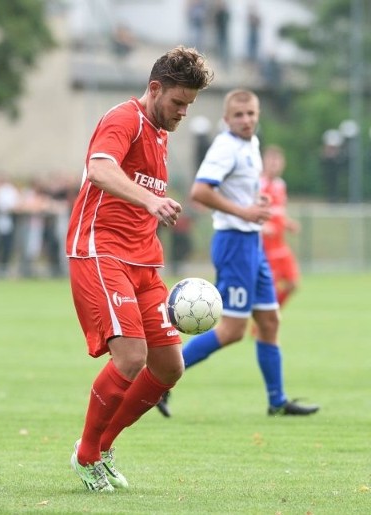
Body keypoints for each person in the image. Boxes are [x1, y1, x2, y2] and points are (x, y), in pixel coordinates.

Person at [65, 45, 213, 492]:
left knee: (169, 367)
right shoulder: (124, 118)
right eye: (178, 102)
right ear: (154, 88)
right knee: (131, 358)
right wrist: (151, 200)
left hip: (143, 261)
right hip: (100, 251)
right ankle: (86, 454)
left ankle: (104, 446)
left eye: (189, 105)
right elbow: (97, 169)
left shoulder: (162, 131)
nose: (183, 112)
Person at [156, 89, 318, 418]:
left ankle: (277, 401)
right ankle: (159, 381)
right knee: (231, 331)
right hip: (235, 243)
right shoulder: (225, 147)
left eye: (251, 114)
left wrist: (257, 205)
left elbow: (242, 191)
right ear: (227, 119)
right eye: (239, 115)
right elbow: (200, 191)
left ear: (257, 115)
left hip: (253, 244)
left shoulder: (251, 144)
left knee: (270, 321)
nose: (246, 120)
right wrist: (244, 213)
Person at [260, 145, 301, 308]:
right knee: (267, 291)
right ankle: (265, 323)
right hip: (265, 248)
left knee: (293, 284)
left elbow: (278, 213)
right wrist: (262, 226)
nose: (274, 164)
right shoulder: (258, 185)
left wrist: (288, 223)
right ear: (264, 162)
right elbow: (248, 211)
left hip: (281, 246)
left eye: (278, 161)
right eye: (271, 160)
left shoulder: (280, 185)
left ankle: (270, 317)